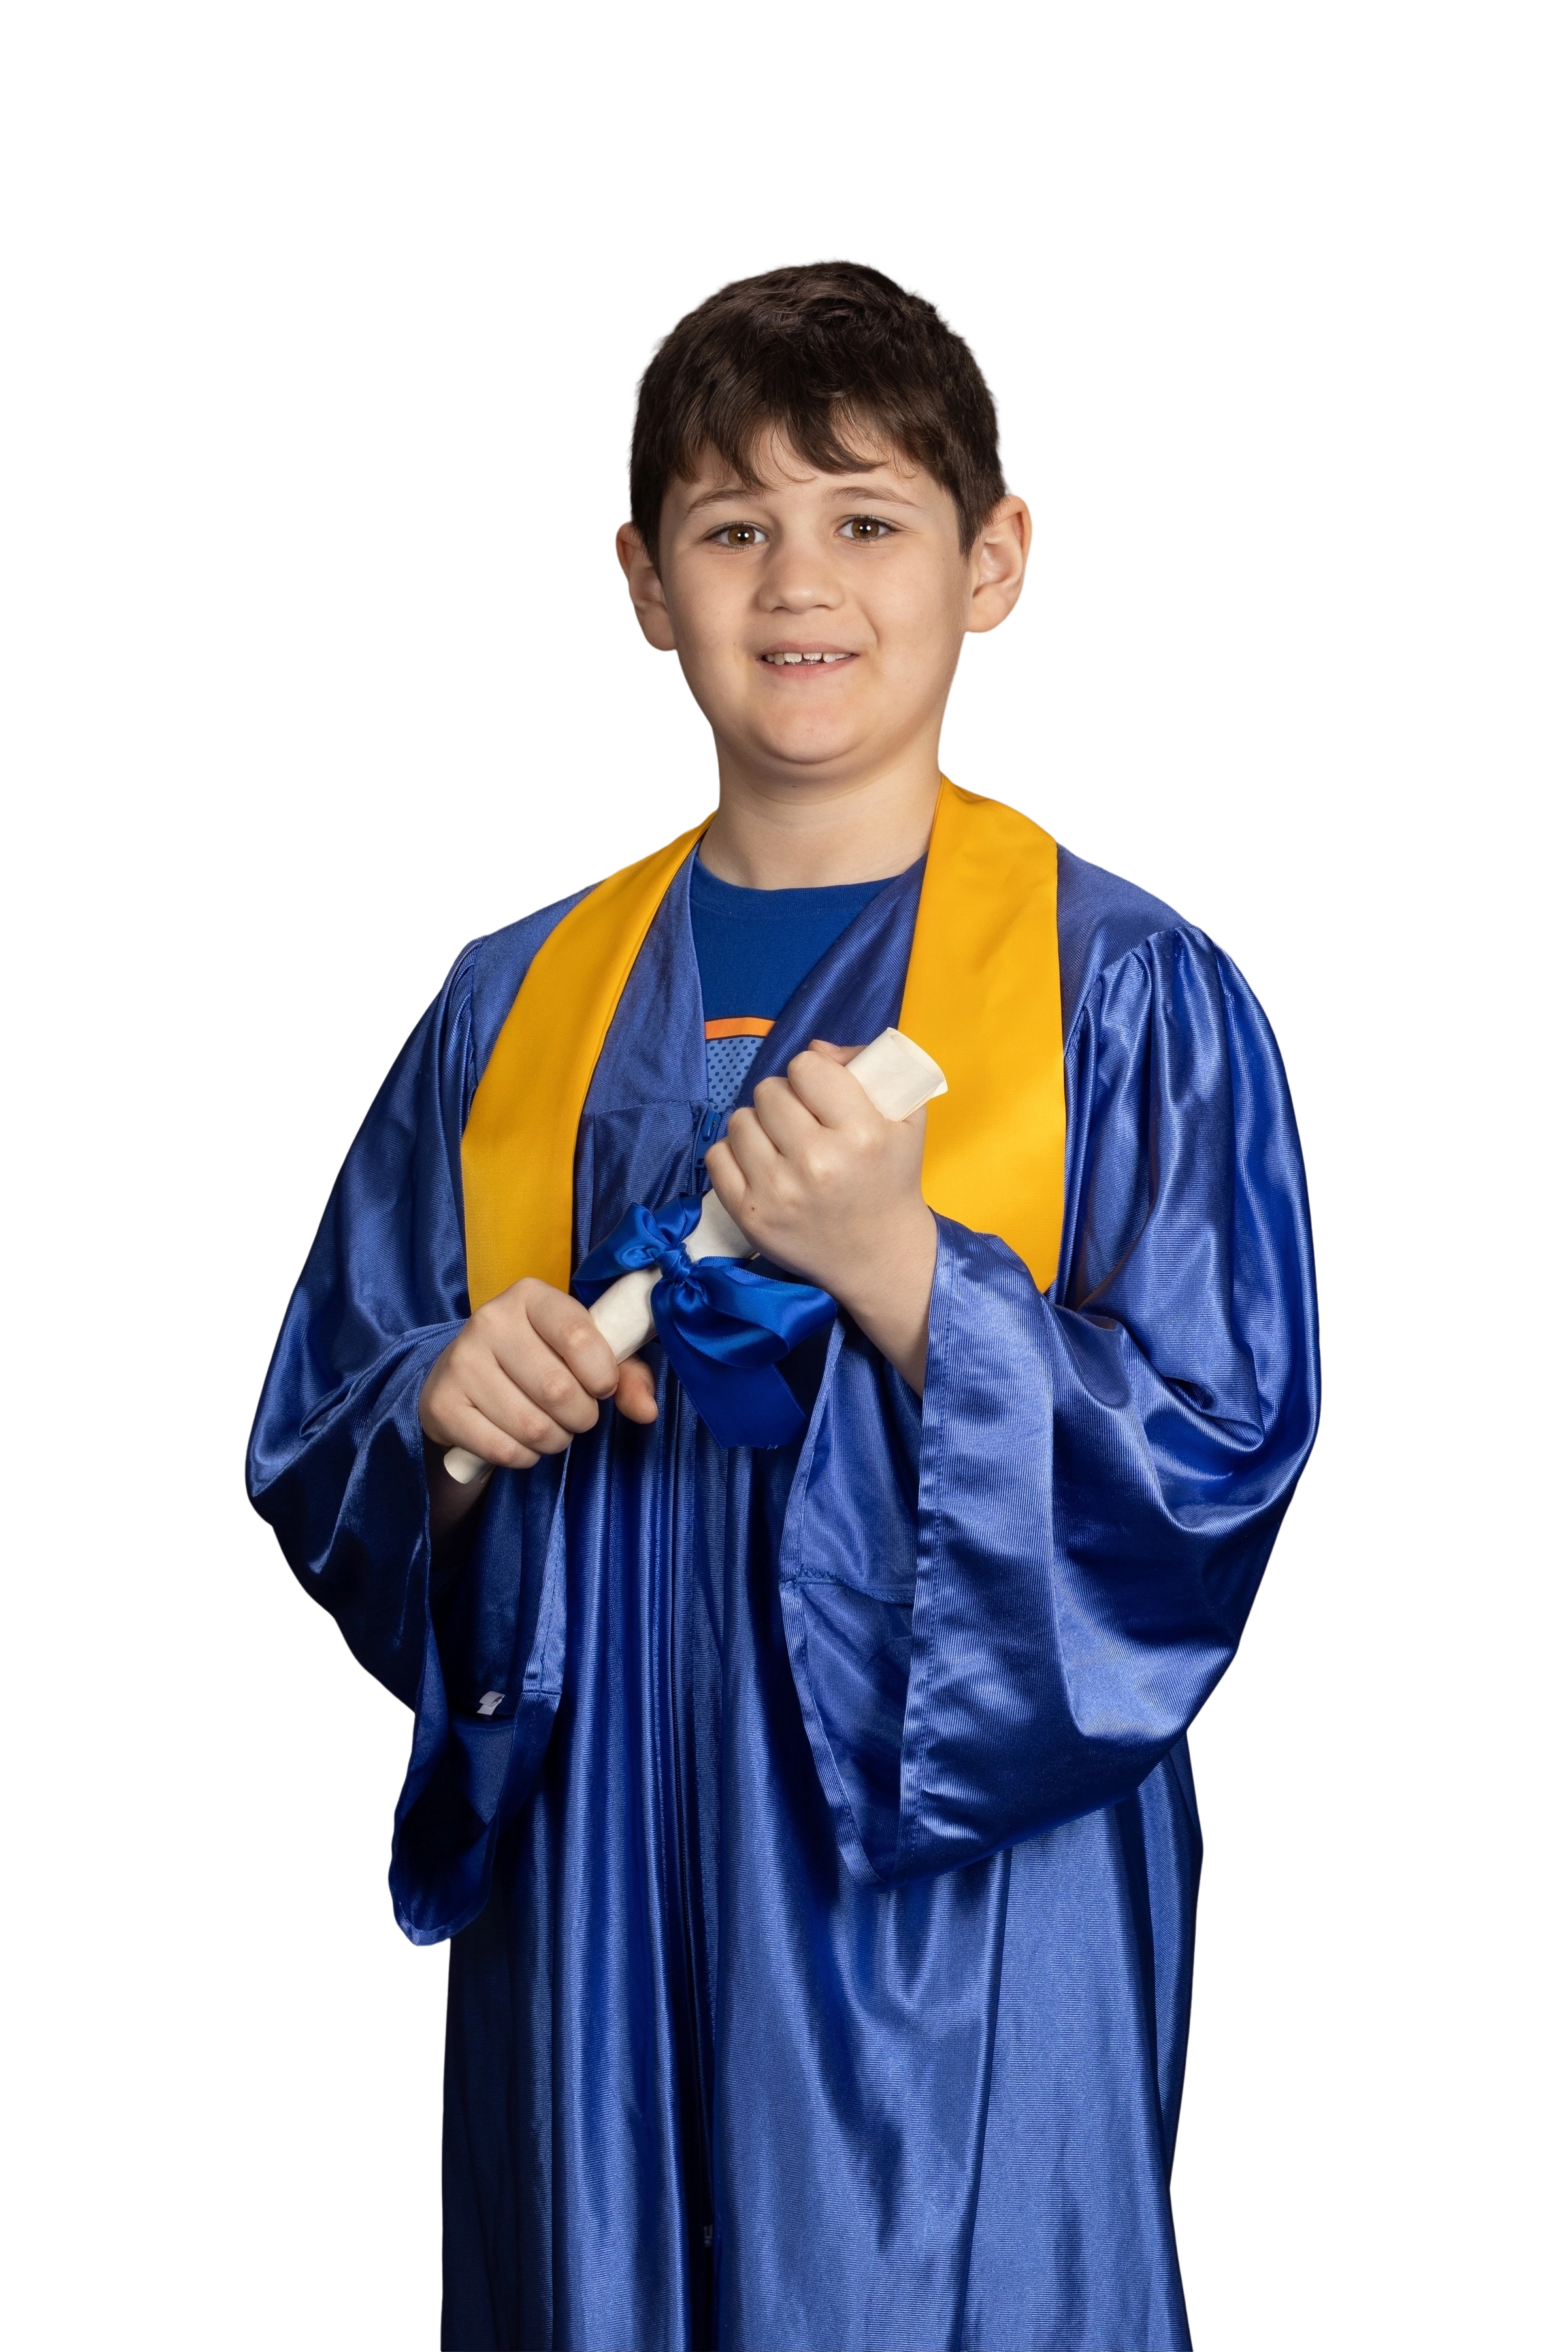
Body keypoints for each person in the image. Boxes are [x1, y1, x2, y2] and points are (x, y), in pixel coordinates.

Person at [246, 254, 1318, 2352]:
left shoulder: (1124, 996)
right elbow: (333, 1429)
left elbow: (1214, 1465)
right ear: (644, 584)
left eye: (867, 519)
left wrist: (911, 1276)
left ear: (994, 562)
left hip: (963, 1885)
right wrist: (448, 1420)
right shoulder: (511, 1004)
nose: (798, 581)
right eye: (732, 528)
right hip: (598, 1882)